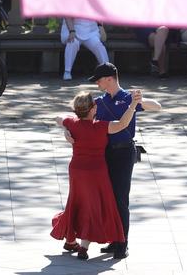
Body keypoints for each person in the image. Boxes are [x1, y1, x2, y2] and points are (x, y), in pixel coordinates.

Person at [79, 62, 162, 259]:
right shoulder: (100, 101)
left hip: (124, 153)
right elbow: (81, 120)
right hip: (104, 153)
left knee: (120, 198)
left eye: (99, 79)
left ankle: (122, 242)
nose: (97, 83)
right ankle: (113, 239)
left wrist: (140, 100)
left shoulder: (128, 98)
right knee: (107, 196)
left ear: (109, 78)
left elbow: (157, 107)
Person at [52, 89, 142, 260]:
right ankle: (83, 247)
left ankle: (71, 240)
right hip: (97, 172)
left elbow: (57, 118)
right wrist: (132, 106)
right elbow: (122, 124)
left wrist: (65, 129)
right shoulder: (101, 126)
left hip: (77, 170)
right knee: (94, 206)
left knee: (75, 202)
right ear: (93, 108)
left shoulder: (72, 123)